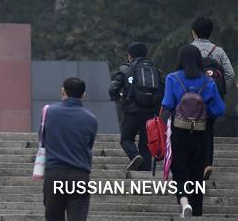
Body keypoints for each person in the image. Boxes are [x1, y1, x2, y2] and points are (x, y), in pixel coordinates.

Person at [160, 45, 226, 218]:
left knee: (179, 170)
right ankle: (196, 211)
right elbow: (219, 109)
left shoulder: (172, 78)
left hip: (179, 131)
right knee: (197, 172)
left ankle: (184, 201)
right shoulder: (208, 81)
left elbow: (167, 104)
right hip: (200, 132)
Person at [42, 77, 99, 221]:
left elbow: (43, 139)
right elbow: (89, 145)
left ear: (63, 92)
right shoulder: (91, 119)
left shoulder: (49, 113)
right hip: (79, 175)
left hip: (54, 173)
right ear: (83, 94)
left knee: (53, 216)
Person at [189, 15, 234, 178]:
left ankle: (194, 163)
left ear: (194, 32)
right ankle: (207, 164)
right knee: (207, 130)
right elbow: (229, 74)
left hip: (192, 100)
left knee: (191, 130)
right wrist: (219, 91)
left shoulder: (189, 50)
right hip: (212, 100)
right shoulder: (218, 51)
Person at [108, 42, 162, 171]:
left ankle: (134, 155)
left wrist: (119, 98)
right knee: (146, 145)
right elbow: (162, 89)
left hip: (132, 110)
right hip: (150, 113)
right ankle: (145, 173)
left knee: (126, 139)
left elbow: (112, 88)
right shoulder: (155, 70)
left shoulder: (126, 68)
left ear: (130, 55)